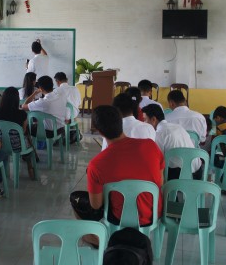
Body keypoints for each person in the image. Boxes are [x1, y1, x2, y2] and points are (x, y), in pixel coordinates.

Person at [69, 105, 164, 246]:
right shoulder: (150, 146)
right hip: (153, 212)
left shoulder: (97, 164)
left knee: (76, 198)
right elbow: (160, 182)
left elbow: (96, 205)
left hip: (119, 216)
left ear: (100, 132)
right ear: (121, 123)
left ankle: (96, 239)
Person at [143, 104, 202, 180]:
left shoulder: (159, 134)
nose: (144, 123)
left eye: (145, 119)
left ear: (153, 119)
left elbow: (157, 161)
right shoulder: (178, 127)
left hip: (179, 177)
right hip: (197, 172)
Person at [0, 87, 35, 180]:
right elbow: (23, 131)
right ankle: (30, 166)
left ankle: (3, 175)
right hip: (18, 146)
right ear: (17, 99)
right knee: (28, 139)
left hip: (1, 144)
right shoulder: (22, 114)